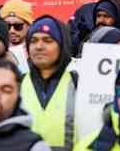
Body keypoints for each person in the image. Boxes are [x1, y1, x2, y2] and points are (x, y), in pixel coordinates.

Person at [21, 15, 77, 150]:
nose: (39, 46)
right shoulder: (15, 83)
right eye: (33, 41)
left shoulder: (78, 83)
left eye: (48, 40)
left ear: (62, 45)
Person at [0, 0, 34, 74]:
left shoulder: (37, 49)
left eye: (18, 26)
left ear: (29, 25)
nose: (12, 31)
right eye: (7, 26)